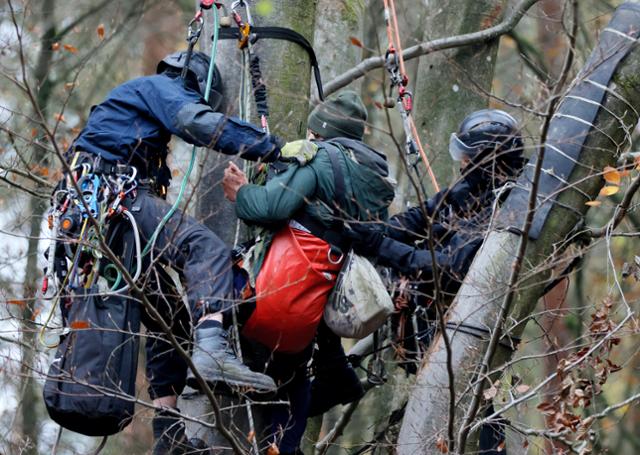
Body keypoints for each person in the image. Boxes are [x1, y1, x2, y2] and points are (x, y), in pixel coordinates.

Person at [66, 50, 288, 454]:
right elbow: (194, 121)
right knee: (205, 248)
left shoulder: (134, 107)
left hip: (98, 220)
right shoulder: (162, 89)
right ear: (196, 82)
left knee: (169, 319)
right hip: (113, 198)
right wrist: (269, 147)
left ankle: (168, 437)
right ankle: (213, 352)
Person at [222, 90, 396, 455]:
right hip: (315, 308)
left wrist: (241, 192)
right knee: (294, 372)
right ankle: (285, 446)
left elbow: (273, 206)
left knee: (209, 279)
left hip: (275, 291)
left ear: (321, 131)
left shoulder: (321, 159)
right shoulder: (375, 180)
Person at [347, 108, 526, 454]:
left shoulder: (506, 206)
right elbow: (422, 217)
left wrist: (380, 246)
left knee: (479, 419)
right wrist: (369, 232)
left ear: (488, 159)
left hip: (467, 333)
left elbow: (449, 268)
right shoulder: (468, 192)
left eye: (467, 157)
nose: (461, 164)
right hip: (436, 329)